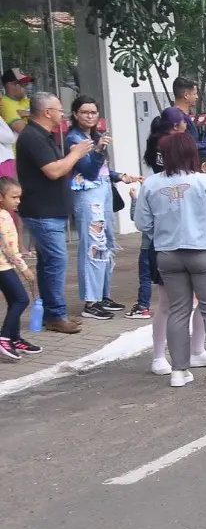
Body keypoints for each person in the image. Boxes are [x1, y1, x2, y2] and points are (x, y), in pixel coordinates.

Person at [132, 130, 206, 387]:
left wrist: (162, 234)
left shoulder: (151, 183)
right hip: (203, 252)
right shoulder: (204, 181)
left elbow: (142, 222)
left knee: (177, 311)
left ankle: (179, 371)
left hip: (167, 254)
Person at [15, 94, 93, 334]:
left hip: (51, 211)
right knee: (56, 263)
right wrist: (76, 154)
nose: (63, 114)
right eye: (59, 110)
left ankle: (53, 312)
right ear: (47, 112)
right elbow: (54, 171)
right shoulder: (32, 137)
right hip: (42, 212)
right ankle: (56, 314)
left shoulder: (42, 136)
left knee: (49, 264)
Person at [66, 96, 139, 319]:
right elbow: (87, 171)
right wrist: (98, 150)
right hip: (88, 197)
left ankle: (102, 295)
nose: (90, 116)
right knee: (93, 245)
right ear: (76, 115)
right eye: (85, 112)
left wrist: (121, 176)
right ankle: (91, 301)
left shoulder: (95, 136)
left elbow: (103, 170)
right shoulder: (74, 138)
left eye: (93, 112)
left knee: (105, 243)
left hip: (103, 193)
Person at [0, 177, 40, 361]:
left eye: (19, 197)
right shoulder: (3, 217)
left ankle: (15, 339)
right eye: (14, 197)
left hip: (4, 265)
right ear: (1, 197)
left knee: (14, 300)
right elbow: (9, 249)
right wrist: (24, 269)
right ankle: (5, 337)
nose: (18, 201)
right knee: (21, 300)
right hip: (3, 266)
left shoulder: (5, 214)